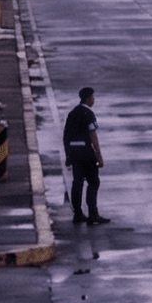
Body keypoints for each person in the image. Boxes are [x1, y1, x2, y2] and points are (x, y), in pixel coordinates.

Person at [63, 87, 106, 225]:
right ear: (88, 99)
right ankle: (93, 214)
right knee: (93, 182)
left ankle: (78, 214)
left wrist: (68, 154)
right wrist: (99, 155)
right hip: (86, 153)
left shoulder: (72, 113)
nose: (93, 100)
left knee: (77, 183)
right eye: (93, 98)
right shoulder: (88, 114)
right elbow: (93, 135)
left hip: (74, 153)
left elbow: (66, 136)